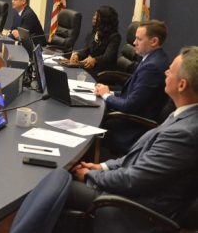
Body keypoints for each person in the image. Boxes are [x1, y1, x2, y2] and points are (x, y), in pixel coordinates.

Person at [67, 46, 198, 232]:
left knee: (57, 184)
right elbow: (140, 159)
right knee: (58, 179)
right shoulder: (184, 113)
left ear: (182, 85)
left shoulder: (185, 133)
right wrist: (102, 166)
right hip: (130, 193)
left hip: (135, 209)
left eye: (171, 70)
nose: (166, 72)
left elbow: (133, 180)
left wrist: (91, 175)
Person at [94, 20, 170, 155]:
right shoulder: (151, 58)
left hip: (132, 128)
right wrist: (109, 92)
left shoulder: (152, 67)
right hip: (130, 118)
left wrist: (107, 96)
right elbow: (133, 94)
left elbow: (130, 105)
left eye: (139, 39)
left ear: (154, 41)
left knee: (91, 126)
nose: (134, 42)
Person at [64, 5, 121, 76]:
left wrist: (95, 60)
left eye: (97, 16)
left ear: (104, 20)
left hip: (103, 73)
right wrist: (77, 55)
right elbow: (86, 50)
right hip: (91, 70)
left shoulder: (115, 37)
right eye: (94, 15)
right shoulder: (94, 32)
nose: (94, 18)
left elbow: (108, 57)